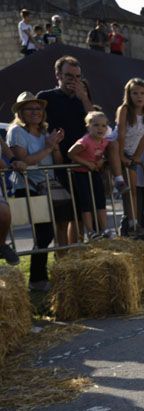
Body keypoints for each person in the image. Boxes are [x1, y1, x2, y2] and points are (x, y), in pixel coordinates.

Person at [8, 91, 70, 290]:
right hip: (28, 188)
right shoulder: (16, 132)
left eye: (38, 108)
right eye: (29, 108)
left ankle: (40, 277)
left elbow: (57, 162)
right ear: (21, 112)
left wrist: (56, 147)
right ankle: (37, 279)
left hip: (49, 187)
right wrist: (48, 146)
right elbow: (24, 161)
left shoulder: (45, 132)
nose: (35, 112)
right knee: (44, 233)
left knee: (49, 232)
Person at [115, 78, 144, 236]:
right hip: (117, 148)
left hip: (132, 152)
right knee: (113, 144)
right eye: (134, 93)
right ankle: (117, 178)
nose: (139, 96)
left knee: (132, 190)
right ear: (129, 94)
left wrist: (137, 156)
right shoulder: (125, 109)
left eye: (142, 93)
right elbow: (120, 133)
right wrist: (120, 155)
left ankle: (134, 223)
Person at [68, 111, 113, 238]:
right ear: (88, 126)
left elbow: (101, 155)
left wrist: (102, 160)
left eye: (103, 126)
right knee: (86, 202)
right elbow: (71, 153)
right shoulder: (85, 141)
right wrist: (86, 163)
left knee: (100, 200)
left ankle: (104, 229)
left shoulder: (104, 141)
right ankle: (90, 231)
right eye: (96, 125)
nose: (100, 128)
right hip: (81, 174)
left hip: (94, 173)